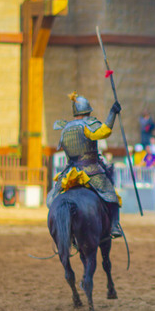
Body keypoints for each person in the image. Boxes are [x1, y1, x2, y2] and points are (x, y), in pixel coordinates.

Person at [47, 92, 123, 236]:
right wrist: (112, 113)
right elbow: (104, 132)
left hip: (69, 173)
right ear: (87, 111)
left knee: (52, 199)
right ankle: (114, 226)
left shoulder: (65, 128)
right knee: (111, 195)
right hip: (91, 171)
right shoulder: (88, 125)